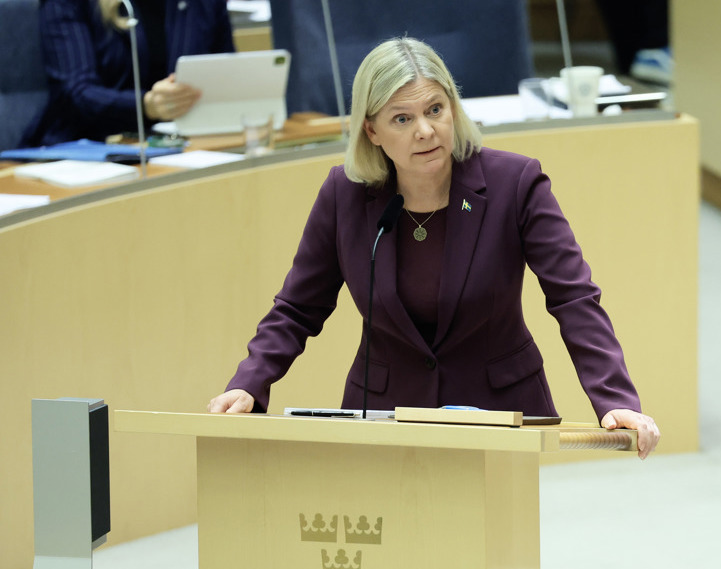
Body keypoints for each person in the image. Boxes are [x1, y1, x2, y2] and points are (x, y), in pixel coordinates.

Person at [207, 37, 660, 459]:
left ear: (454, 108)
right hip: (386, 413)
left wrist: (615, 397)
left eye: (435, 109)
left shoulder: (514, 184)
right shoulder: (344, 194)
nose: (425, 130)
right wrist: (250, 382)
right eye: (402, 119)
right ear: (372, 131)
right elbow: (297, 308)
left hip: (498, 414)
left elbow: (574, 297)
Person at [22, 0, 234, 147]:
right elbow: (77, 92)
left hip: (181, 145)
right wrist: (146, 105)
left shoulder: (204, 4)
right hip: (87, 147)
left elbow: (227, 75)